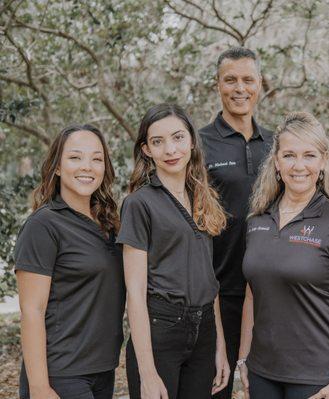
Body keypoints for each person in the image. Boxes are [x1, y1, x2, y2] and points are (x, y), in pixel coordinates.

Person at [237, 112, 329, 399]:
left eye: (309, 155)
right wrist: (243, 359)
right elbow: (252, 294)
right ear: (276, 161)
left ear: (323, 162)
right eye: (289, 155)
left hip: (318, 379)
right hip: (263, 374)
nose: (299, 166)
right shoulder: (257, 220)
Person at [119, 104, 229, 399]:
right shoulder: (139, 204)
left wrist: (219, 345)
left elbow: (210, 279)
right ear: (146, 150)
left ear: (192, 141)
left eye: (178, 137)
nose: (170, 149)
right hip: (161, 330)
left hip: (204, 331)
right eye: (158, 141)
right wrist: (147, 371)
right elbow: (135, 291)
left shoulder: (203, 198)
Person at [15, 125, 125, 399]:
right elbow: (32, 311)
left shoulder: (110, 224)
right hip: (60, 373)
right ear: (58, 167)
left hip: (102, 369)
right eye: (75, 157)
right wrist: (40, 387)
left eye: (96, 158)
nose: (87, 166)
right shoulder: (43, 225)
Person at [199, 47, 274, 399]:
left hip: (273, 292)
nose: (239, 88)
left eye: (248, 80)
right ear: (217, 85)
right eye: (230, 80)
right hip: (218, 292)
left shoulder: (277, 145)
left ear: (260, 85)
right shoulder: (197, 145)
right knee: (217, 387)